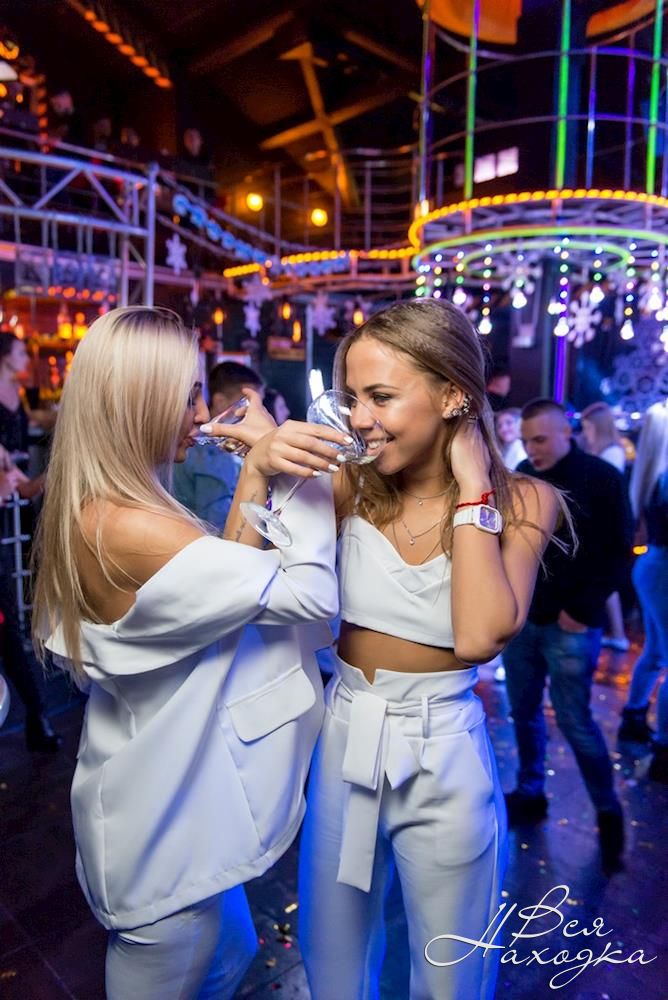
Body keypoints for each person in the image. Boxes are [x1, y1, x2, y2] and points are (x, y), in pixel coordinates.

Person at [32, 306, 346, 999]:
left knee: (231, 956)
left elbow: (221, 590)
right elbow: (309, 595)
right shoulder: (132, 527)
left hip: (159, 799)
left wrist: (257, 474)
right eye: (189, 397)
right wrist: (303, 468)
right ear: (139, 404)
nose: (202, 416)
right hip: (163, 839)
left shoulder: (103, 505)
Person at [293, 299, 559, 1000]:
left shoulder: (525, 501)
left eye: (381, 396)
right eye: (353, 397)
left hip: (443, 747)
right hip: (346, 733)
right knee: (332, 960)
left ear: (452, 396)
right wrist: (262, 465)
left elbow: (478, 636)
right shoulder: (349, 483)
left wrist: (473, 491)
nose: (360, 418)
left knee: (450, 976)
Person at [503, 398, 632, 874]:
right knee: (523, 712)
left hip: (572, 622)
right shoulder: (521, 473)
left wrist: (583, 609)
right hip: (525, 619)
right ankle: (530, 791)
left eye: (540, 439)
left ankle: (607, 813)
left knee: (576, 720)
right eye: (527, 440)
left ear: (566, 434)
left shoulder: (601, 477)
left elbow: (620, 552)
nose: (531, 448)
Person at [618, 402, 668, 782]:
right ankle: (664, 748)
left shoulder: (652, 472)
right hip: (661, 568)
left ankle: (634, 719)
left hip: (653, 564)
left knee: (655, 652)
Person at [172, 361, 264, 532]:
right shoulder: (210, 454)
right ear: (220, 402)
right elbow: (217, 528)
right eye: (248, 406)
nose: (259, 416)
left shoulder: (189, 446)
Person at [580, 401, 630, 651]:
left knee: (604, 583)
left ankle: (618, 634)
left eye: (588, 428)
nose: (585, 433)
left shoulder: (612, 453)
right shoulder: (606, 451)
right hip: (598, 523)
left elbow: (607, 492)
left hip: (605, 526)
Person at [495, 406, 527, 470]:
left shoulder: (523, 449)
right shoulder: (503, 452)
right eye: (499, 426)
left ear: (521, 423)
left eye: (509, 423)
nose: (503, 429)